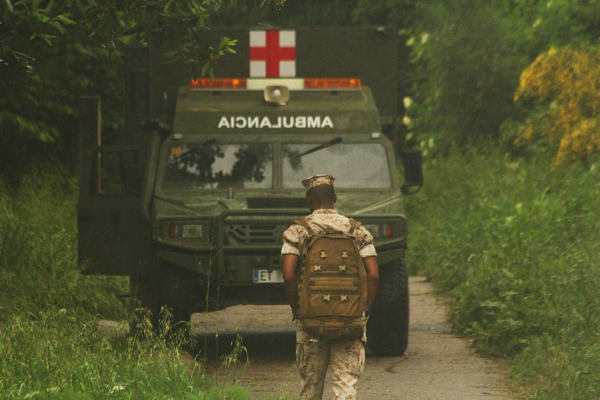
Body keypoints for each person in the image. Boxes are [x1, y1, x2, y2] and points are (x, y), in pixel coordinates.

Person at [280, 174, 379, 400]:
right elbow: (373, 275)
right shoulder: (357, 231)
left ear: (308, 199)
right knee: (345, 388)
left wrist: (297, 311)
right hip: (350, 321)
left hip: (311, 322)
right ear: (334, 198)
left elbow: (288, 276)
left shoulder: (298, 231)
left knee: (310, 389)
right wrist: (362, 310)